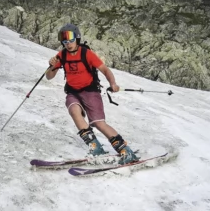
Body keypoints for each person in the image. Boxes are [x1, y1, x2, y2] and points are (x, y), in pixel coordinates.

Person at [46, 23, 140, 164]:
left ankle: (126, 152)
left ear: (77, 38)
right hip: (73, 92)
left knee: (98, 123)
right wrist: (52, 66)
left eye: (71, 39)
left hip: (90, 91)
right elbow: (49, 76)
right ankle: (96, 148)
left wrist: (112, 83)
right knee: (73, 109)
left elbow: (105, 70)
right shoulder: (62, 56)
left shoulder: (86, 53)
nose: (68, 43)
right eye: (64, 40)